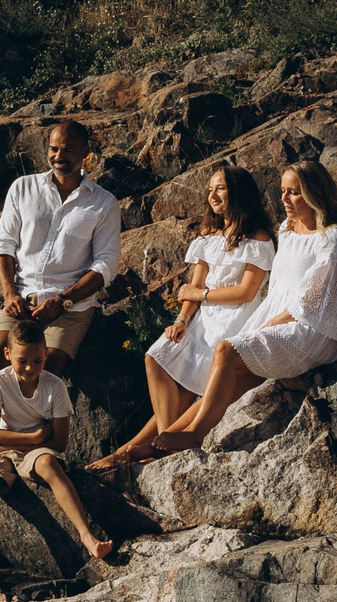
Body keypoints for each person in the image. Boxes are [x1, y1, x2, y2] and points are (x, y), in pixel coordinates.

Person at [150, 160, 337, 451]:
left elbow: (313, 298)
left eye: (294, 192)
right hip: (280, 318)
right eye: (283, 191)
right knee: (237, 377)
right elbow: (281, 287)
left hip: (313, 330)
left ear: (314, 194)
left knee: (226, 350)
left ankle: (194, 434)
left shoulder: (333, 236)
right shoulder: (287, 230)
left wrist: (270, 324)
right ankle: (165, 439)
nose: (284, 199)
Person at [91, 165, 275, 469]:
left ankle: (136, 450)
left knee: (192, 387)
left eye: (221, 188)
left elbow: (245, 292)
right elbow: (194, 285)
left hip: (234, 321)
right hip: (202, 318)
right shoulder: (209, 235)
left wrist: (198, 296)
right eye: (210, 189)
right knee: (157, 356)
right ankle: (163, 441)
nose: (212, 195)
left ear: (239, 193)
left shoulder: (258, 238)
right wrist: (182, 320)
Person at [0, 317, 116, 593]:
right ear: (7, 355)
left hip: (37, 451)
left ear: (45, 355)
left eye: (38, 361)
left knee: (49, 464)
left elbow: (60, 442)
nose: (30, 368)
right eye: (22, 361)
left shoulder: (54, 387)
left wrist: (32, 443)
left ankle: (87, 536)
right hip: (9, 446)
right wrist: (34, 437)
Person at [0, 119, 121, 383]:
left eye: (68, 150)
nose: (58, 157)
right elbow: (4, 244)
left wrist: (63, 301)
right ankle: (10, 422)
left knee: (45, 371)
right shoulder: (22, 188)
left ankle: (37, 423)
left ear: (85, 152)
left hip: (70, 308)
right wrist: (9, 293)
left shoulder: (104, 203)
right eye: (53, 149)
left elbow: (106, 265)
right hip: (21, 300)